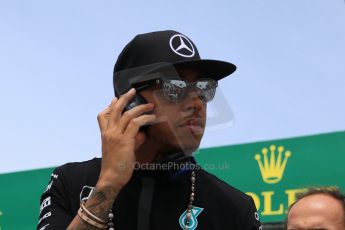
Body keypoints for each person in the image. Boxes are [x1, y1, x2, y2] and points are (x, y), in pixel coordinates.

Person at [37, 30, 262, 230]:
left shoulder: (234, 208)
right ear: (131, 102)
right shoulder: (69, 181)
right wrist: (109, 185)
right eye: (175, 87)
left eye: (204, 88)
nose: (196, 103)